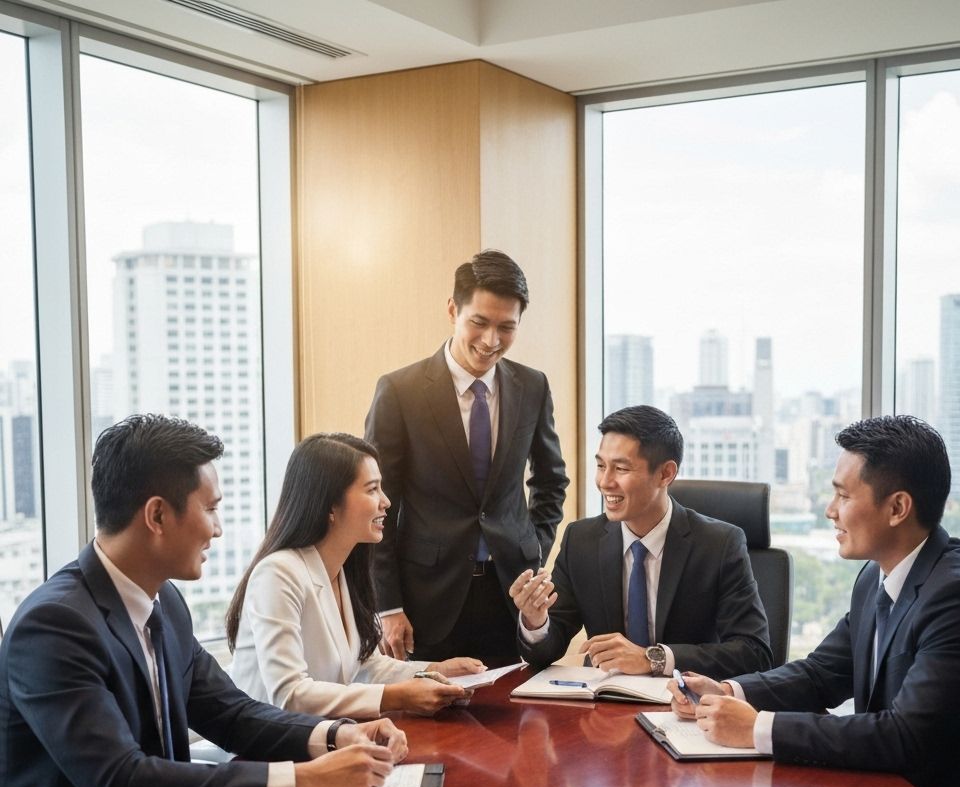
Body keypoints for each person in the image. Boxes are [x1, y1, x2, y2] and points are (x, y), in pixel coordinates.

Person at [0, 415, 409, 787]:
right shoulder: (55, 625)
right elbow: (121, 784)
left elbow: (232, 713)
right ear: (157, 515)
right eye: (211, 509)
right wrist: (306, 780)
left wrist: (335, 734)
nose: (217, 529)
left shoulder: (165, 603)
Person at [672, 415, 960, 787]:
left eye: (843, 495)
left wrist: (758, 728)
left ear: (897, 508)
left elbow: (904, 737)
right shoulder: (878, 575)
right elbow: (823, 673)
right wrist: (731, 690)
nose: (830, 510)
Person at [364, 249, 569, 667]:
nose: (491, 340)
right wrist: (387, 606)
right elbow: (379, 504)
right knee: (432, 726)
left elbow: (551, 482)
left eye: (506, 327)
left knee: (515, 721)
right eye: (479, 322)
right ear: (453, 309)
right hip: (426, 602)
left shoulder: (532, 387)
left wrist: (530, 549)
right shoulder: (400, 392)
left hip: (508, 594)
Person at [226, 432, 484, 718]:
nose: (386, 501)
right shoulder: (277, 574)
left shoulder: (345, 571)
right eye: (372, 489)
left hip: (327, 738)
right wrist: (396, 697)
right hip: (267, 751)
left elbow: (368, 666)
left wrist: (434, 671)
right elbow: (290, 694)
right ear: (330, 505)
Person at [512, 405, 772, 679]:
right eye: (601, 466)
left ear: (665, 474)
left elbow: (754, 653)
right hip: (604, 709)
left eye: (621, 468)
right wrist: (535, 620)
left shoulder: (719, 544)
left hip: (684, 706)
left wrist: (654, 658)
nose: (604, 482)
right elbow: (545, 653)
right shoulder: (582, 540)